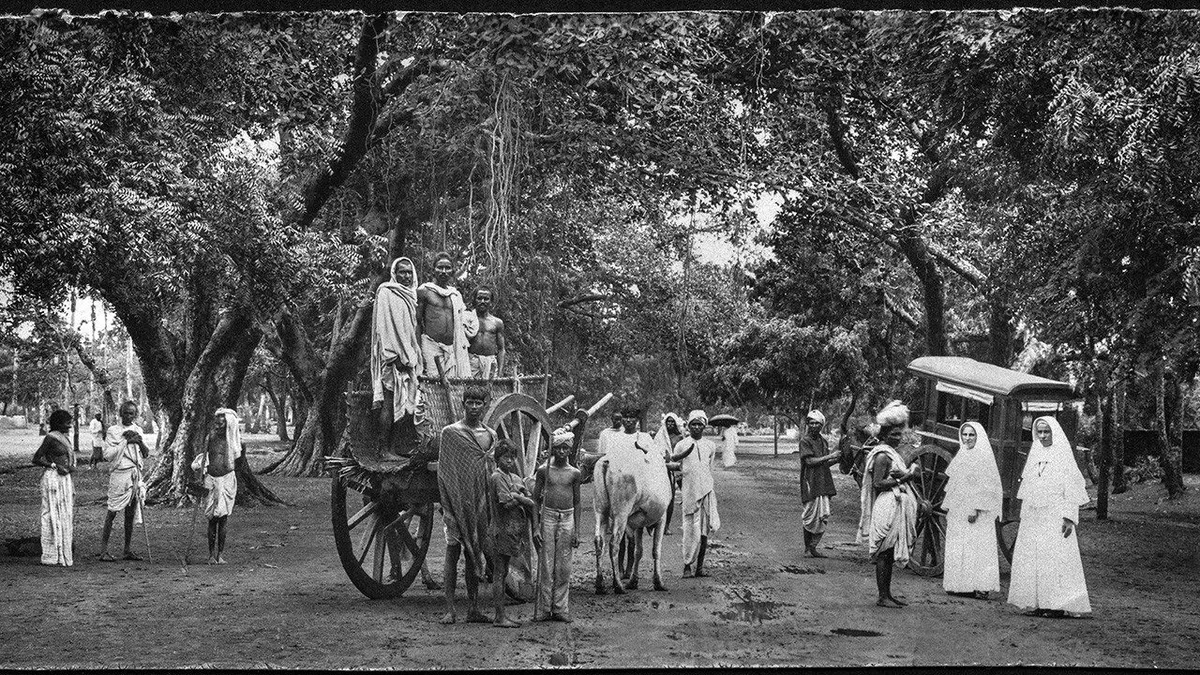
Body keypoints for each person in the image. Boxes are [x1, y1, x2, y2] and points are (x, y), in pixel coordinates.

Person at [1007, 416, 1091, 618]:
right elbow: (1028, 486)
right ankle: (1040, 602)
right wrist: (1026, 515)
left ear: (1054, 433)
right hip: (1035, 515)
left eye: (1047, 432)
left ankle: (1057, 605)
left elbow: (1071, 489)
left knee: (1055, 558)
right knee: (1035, 557)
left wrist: (1069, 517)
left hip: (1055, 514)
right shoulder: (1035, 453)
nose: (1043, 436)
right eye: (1040, 432)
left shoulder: (1063, 455)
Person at [437, 385, 496, 624]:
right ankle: (450, 609)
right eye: (469, 402)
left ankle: (473, 608)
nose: (473, 407)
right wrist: (448, 504)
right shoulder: (451, 433)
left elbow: (491, 471)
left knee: (475, 552)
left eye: (478, 403)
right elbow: (445, 472)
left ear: (484, 406)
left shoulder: (490, 436)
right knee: (452, 551)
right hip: (457, 503)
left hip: (479, 504)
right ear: (463, 405)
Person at [860, 401, 920, 608]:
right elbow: (878, 484)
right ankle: (882, 596)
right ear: (884, 435)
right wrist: (904, 478)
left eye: (899, 434)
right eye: (893, 434)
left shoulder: (893, 454)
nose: (898, 438)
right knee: (884, 552)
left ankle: (887, 594)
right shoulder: (882, 456)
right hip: (886, 505)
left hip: (896, 505)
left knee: (891, 551)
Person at [941, 422, 1002, 599]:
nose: (967, 439)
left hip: (976, 509)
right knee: (960, 544)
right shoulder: (962, 454)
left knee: (977, 545)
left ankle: (981, 586)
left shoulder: (983, 457)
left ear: (978, 437)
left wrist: (976, 508)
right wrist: (951, 506)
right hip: (959, 507)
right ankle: (961, 585)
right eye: (965, 435)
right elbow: (955, 483)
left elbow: (987, 486)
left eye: (971, 435)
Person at [371, 257, 424, 452]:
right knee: (389, 403)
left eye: (409, 272)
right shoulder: (386, 292)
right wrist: (393, 356)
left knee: (404, 402)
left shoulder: (411, 295)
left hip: (407, 357)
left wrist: (411, 355)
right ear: (394, 273)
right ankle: (383, 450)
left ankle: (393, 448)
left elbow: (411, 329)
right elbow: (383, 327)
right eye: (402, 272)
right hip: (392, 358)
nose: (406, 276)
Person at [532, 433, 583, 622]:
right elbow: (535, 500)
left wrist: (577, 530)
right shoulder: (544, 471)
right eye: (558, 448)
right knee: (546, 564)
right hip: (548, 517)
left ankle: (560, 608)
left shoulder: (574, 473)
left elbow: (577, 502)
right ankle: (544, 609)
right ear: (553, 449)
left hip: (567, 518)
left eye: (565, 448)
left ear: (570, 450)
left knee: (564, 566)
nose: (561, 452)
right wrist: (536, 527)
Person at [488, 440, 535, 627]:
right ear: (497, 459)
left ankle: (501, 615)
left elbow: (524, 495)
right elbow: (506, 503)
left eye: (512, 458)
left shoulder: (511, 477)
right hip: (502, 529)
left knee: (503, 570)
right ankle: (499, 617)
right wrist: (520, 497)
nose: (509, 461)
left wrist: (519, 494)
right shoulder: (497, 477)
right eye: (505, 457)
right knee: (500, 572)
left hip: (511, 531)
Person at [671, 410, 721, 578]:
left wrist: (707, 486)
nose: (697, 427)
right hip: (689, 493)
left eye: (700, 424)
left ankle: (699, 567)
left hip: (706, 491)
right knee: (689, 530)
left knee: (704, 532)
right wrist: (684, 489)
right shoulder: (681, 445)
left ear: (704, 426)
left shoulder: (710, 446)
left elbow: (709, 468)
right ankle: (687, 566)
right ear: (688, 426)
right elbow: (677, 470)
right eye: (693, 424)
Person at [98, 400, 150, 562]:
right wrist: (125, 441)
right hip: (120, 474)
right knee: (112, 511)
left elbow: (146, 453)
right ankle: (103, 551)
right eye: (126, 413)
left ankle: (127, 550)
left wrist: (138, 441)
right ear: (121, 413)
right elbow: (108, 454)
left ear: (136, 415)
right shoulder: (113, 431)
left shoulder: (138, 430)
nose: (128, 416)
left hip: (134, 474)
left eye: (132, 413)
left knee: (130, 513)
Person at [190, 408, 243, 565]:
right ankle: (211, 555)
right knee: (212, 518)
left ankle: (220, 554)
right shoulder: (210, 438)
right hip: (211, 480)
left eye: (221, 424)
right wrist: (200, 476)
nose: (218, 426)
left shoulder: (235, 443)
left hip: (227, 481)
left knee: (223, 519)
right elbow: (204, 459)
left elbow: (238, 466)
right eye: (217, 424)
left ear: (229, 425)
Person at [417, 252, 477, 378]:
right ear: (433, 270)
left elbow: (462, 321)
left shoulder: (455, 295)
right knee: (432, 382)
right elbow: (417, 323)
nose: (443, 271)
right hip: (431, 346)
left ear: (452, 271)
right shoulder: (425, 291)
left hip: (452, 348)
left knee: (453, 384)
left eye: (447, 268)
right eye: (440, 267)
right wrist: (418, 350)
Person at [32, 409, 75, 566]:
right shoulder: (50, 438)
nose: (69, 426)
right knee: (51, 514)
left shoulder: (65, 438)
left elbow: (68, 460)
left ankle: (63, 552)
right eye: (67, 423)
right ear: (58, 423)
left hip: (64, 479)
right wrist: (53, 465)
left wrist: (69, 468)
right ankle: (51, 555)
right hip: (53, 478)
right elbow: (36, 459)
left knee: (65, 514)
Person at [799, 410, 840, 558]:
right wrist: (830, 456)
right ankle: (807, 548)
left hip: (823, 481)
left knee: (823, 515)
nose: (814, 426)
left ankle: (813, 547)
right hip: (810, 481)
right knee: (810, 515)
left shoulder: (823, 441)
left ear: (821, 425)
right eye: (811, 423)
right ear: (808, 424)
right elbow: (809, 461)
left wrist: (837, 459)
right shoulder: (805, 441)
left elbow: (824, 463)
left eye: (817, 423)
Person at [654, 413, 685, 536]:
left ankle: (667, 525)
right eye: (668, 422)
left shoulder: (680, 437)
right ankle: (657, 524)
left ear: (676, 423)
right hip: (662, 468)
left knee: (672, 497)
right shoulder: (660, 436)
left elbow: (682, 453)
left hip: (676, 469)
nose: (670, 424)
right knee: (661, 497)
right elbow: (655, 450)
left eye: (672, 422)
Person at [467, 287, 506, 380]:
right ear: (474, 300)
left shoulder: (497, 322)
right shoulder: (467, 319)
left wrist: (500, 373)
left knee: (491, 388)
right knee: (470, 388)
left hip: (490, 363)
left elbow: (501, 349)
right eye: (479, 298)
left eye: (486, 299)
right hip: (471, 363)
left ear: (491, 302)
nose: (482, 301)